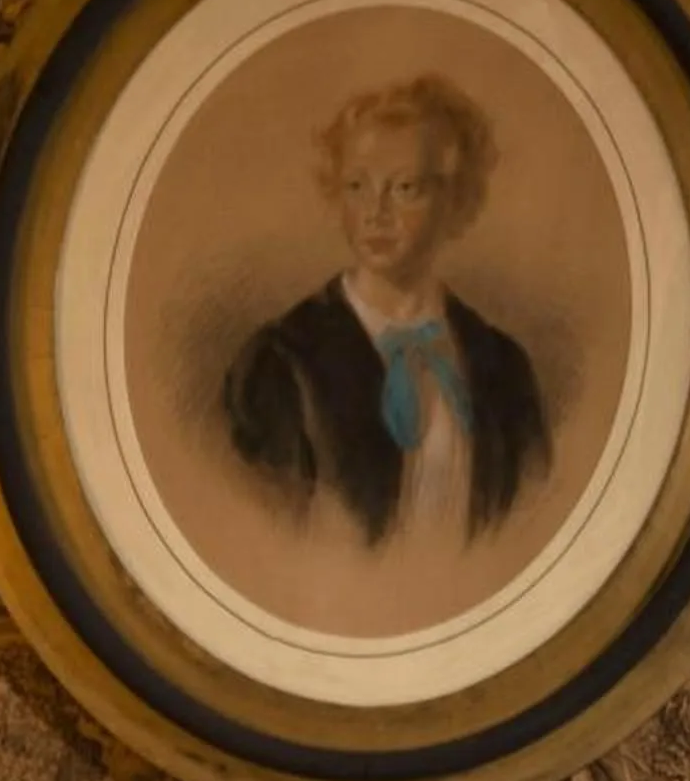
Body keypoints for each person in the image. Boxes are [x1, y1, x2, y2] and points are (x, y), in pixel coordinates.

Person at [221, 76, 550, 554]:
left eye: (405, 187)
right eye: (357, 186)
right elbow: (265, 549)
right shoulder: (282, 362)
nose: (376, 212)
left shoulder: (503, 366)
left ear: (457, 202)